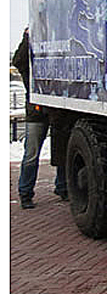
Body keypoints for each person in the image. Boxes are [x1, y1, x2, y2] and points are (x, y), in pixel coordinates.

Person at [12, 29, 66, 208]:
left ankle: (61, 187)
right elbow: (18, 61)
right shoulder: (31, 62)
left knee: (60, 150)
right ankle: (26, 192)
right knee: (32, 153)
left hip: (53, 111)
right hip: (39, 111)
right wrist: (27, 37)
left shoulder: (56, 57)